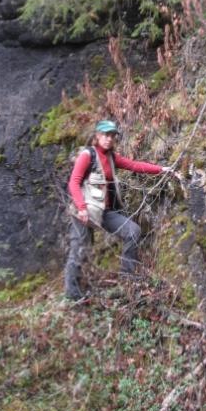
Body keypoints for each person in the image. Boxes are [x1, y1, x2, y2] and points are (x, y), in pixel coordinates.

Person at [63, 119, 171, 301]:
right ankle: (72, 295)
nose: (109, 139)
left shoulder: (112, 158)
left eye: (112, 136)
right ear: (97, 136)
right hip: (83, 211)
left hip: (104, 212)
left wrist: (162, 169)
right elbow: (73, 182)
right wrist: (81, 208)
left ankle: (127, 279)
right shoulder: (87, 155)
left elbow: (134, 165)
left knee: (133, 231)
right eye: (106, 135)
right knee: (80, 249)